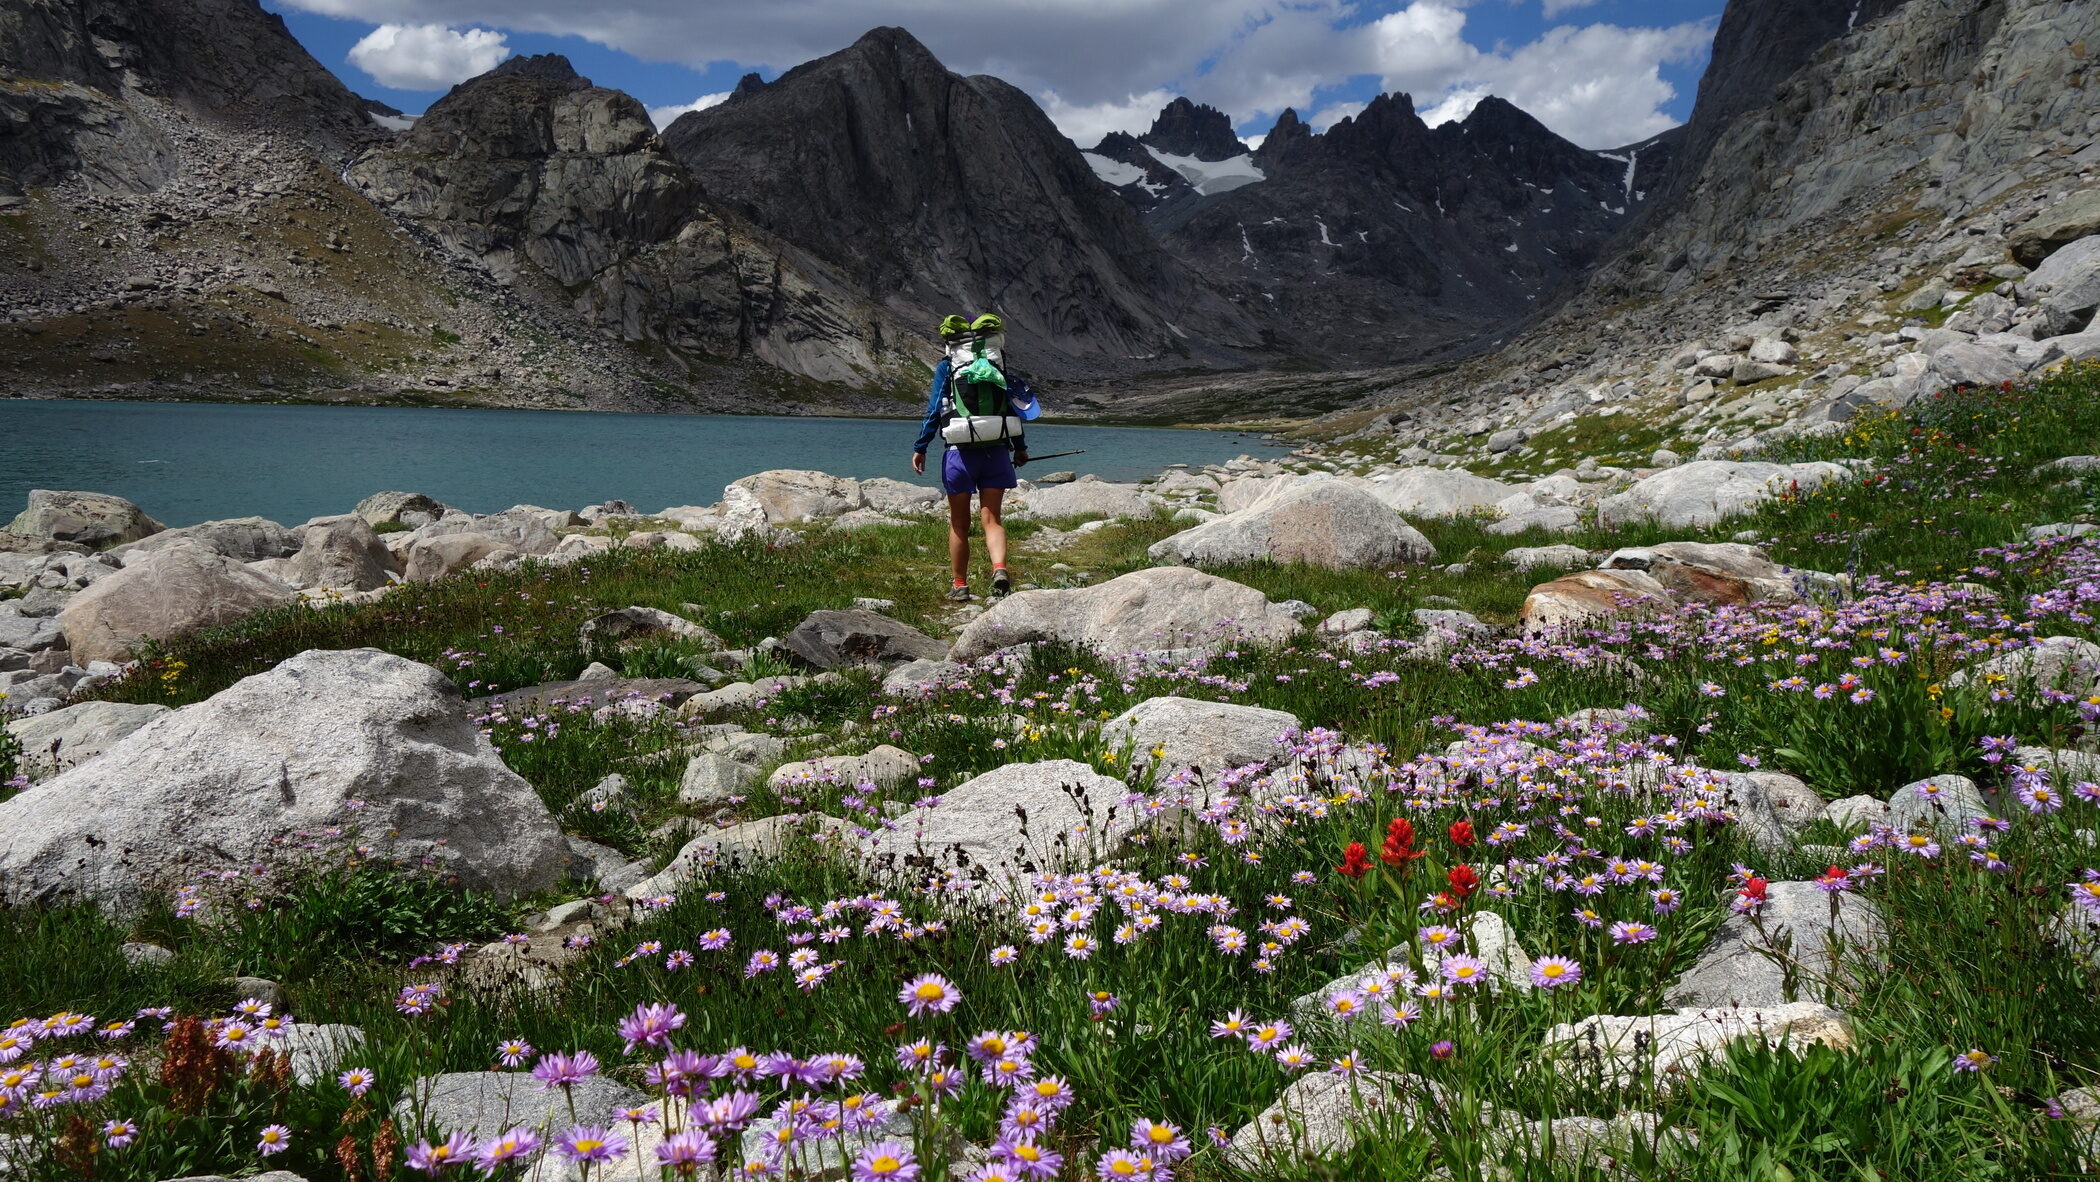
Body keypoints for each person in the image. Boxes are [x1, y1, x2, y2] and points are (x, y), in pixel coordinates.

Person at [912, 314, 1032, 601]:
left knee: (959, 523)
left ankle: (960, 585)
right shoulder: (996, 363)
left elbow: (934, 410)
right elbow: (1011, 409)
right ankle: (999, 569)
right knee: (992, 520)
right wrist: (1020, 447)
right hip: (997, 450)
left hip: (959, 454)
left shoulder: (948, 367)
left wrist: (921, 446)